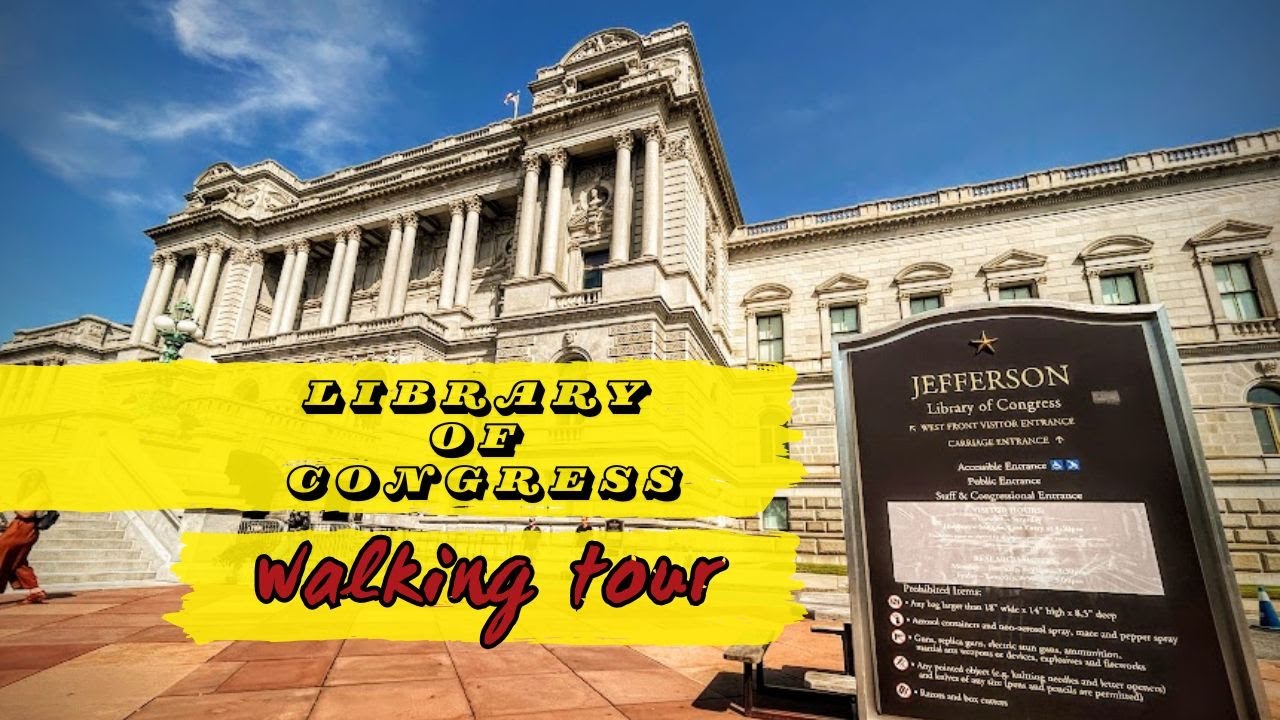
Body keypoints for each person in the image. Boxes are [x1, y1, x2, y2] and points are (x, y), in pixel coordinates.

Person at [0, 511, 47, 604]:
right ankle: (35, 590)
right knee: (18, 561)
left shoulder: (33, 498)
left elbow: (27, 514)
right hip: (23, 528)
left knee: (4, 556)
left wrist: (15, 507)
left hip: (22, 529)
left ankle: (35, 590)